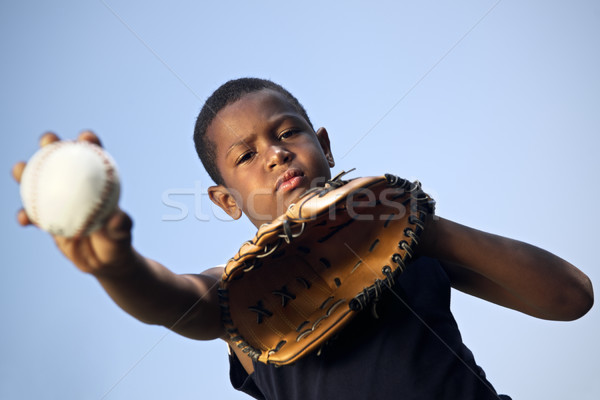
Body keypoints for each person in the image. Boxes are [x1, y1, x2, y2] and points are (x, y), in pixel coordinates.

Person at [12, 78, 594, 399]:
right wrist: (118, 268)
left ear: (324, 144)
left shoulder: (402, 234)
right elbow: (178, 298)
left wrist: (428, 228)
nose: (275, 153)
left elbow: (570, 298)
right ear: (225, 200)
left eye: (287, 131)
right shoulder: (240, 291)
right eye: (245, 156)